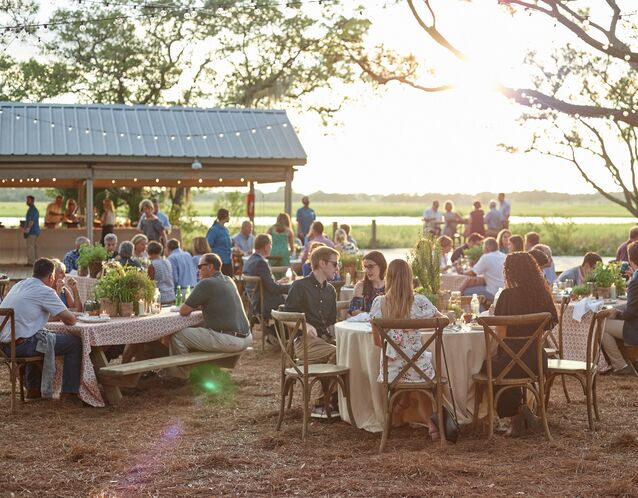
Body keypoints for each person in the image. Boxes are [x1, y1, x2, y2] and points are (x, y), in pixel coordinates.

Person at [369, 259, 443, 440]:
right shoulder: (420, 302)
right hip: (420, 369)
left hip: (392, 371)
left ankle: (394, 413)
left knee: (401, 368)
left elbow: (377, 342)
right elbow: (443, 321)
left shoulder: (380, 303)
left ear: (388, 278)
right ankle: (432, 426)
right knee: (420, 375)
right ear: (410, 278)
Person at [488, 251, 558, 436]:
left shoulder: (507, 296)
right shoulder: (542, 294)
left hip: (511, 361)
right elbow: (546, 329)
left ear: (509, 272)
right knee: (506, 364)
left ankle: (515, 413)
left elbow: (500, 335)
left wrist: (489, 353)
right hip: (537, 361)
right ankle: (520, 413)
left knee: (487, 368)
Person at [0, 258, 82, 401]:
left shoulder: (19, 285)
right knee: (74, 343)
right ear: (51, 277)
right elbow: (71, 320)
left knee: (38, 335)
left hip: (4, 346)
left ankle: (33, 388)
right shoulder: (44, 291)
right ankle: (69, 392)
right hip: (21, 346)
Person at [170, 253, 251, 377]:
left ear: (210, 267)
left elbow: (184, 311)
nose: (198, 270)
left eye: (200, 266)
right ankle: (203, 369)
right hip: (246, 337)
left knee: (178, 335)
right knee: (200, 329)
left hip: (230, 340)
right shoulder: (229, 280)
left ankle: (182, 375)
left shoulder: (206, 283)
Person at [284, 246, 339, 363]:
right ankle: (328, 380)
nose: (337, 268)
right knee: (340, 353)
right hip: (304, 343)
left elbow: (331, 324)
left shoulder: (330, 290)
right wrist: (306, 326)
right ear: (322, 263)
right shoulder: (299, 286)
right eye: (335, 264)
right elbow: (285, 317)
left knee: (350, 351)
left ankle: (327, 380)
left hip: (325, 340)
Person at [243, 234, 292, 343]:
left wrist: (278, 282)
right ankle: (277, 335)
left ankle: (276, 334)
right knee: (293, 302)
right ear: (266, 246)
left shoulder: (250, 260)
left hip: (254, 301)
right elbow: (273, 289)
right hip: (263, 303)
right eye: (270, 245)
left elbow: (264, 284)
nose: (271, 248)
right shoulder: (261, 263)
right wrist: (291, 287)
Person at [602, 241, 638, 375]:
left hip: (635, 328)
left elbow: (631, 313)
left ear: (630, 258)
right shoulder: (635, 277)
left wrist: (616, 312)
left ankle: (620, 365)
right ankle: (628, 361)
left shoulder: (636, 280)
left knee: (601, 325)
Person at [463, 237, 506, 303]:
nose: (482, 249)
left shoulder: (486, 257)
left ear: (487, 247)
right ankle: (487, 306)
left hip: (493, 291)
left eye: (483, 247)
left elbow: (472, 273)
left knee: (466, 292)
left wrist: (461, 272)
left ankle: (481, 312)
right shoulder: (504, 256)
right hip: (505, 290)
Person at [349, 250, 386, 316]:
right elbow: (354, 310)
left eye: (370, 266)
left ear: (381, 265)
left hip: (387, 324)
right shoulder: (361, 286)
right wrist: (372, 317)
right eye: (365, 267)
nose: (367, 270)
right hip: (365, 323)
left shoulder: (391, 285)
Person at [206, 208, 233, 277]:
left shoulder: (226, 230)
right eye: (229, 215)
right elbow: (208, 245)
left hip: (228, 260)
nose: (229, 217)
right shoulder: (214, 230)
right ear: (225, 216)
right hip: (219, 261)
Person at [24, 195, 40, 266]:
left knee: (30, 247)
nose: (27, 201)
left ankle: (31, 262)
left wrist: (27, 230)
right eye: (27, 200)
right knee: (33, 247)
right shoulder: (33, 209)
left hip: (32, 231)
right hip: (35, 231)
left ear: (32, 201)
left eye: (28, 200)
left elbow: (31, 221)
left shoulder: (32, 210)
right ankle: (35, 262)